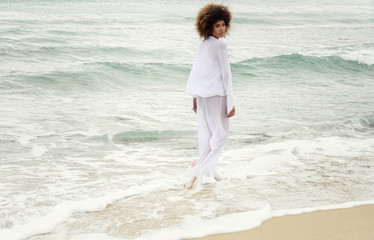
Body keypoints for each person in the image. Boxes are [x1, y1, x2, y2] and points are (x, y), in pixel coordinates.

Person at [185, 3, 235, 189]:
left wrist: (195, 98)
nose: (222, 29)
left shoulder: (204, 43)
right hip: (216, 95)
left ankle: (209, 171)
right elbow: (226, 76)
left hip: (204, 95)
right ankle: (199, 168)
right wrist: (231, 103)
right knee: (221, 136)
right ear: (208, 26)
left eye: (223, 25)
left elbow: (197, 71)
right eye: (217, 25)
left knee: (207, 134)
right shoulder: (220, 45)